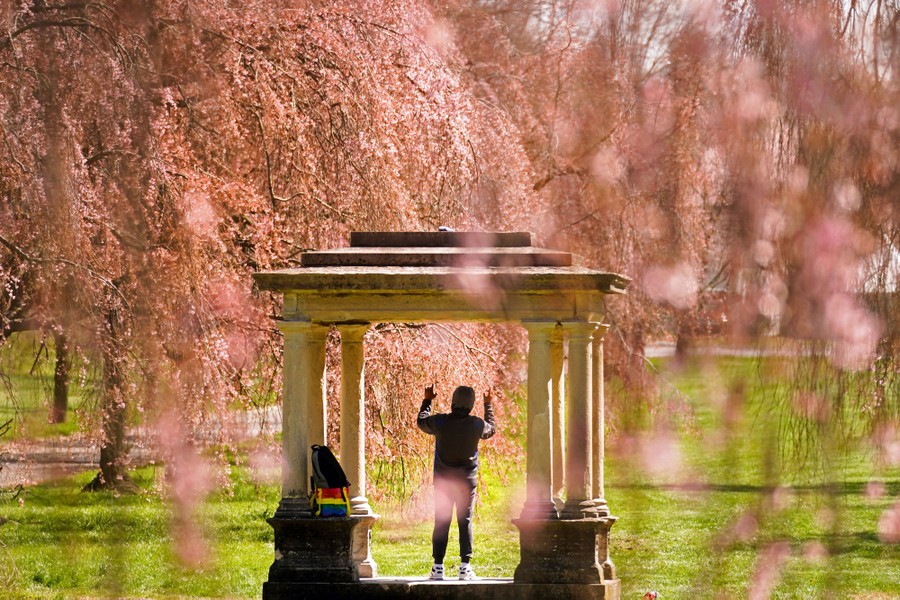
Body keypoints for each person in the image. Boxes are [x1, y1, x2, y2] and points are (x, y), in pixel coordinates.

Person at [417, 383, 496, 581]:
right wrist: (488, 405)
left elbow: (421, 421)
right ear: (471, 404)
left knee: (442, 521)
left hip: (443, 482)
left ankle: (438, 567)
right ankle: (464, 567)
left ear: (453, 402)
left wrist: (427, 400)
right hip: (466, 483)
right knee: (465, 521)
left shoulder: (441, 422)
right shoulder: (477, 424)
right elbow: (491, 429)